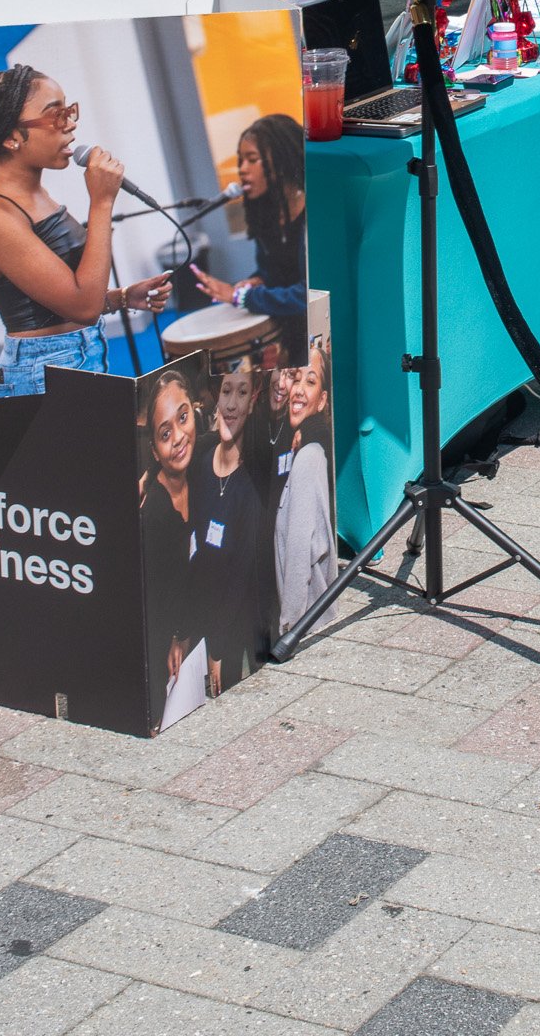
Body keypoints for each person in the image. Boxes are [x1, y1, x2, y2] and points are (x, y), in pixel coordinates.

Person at [0, 66, 170, 398]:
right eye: (55, 115)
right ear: (11, 137)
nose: (71, 124)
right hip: (41, 375)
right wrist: (101, 202)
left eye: (69, 110)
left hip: (76, 356)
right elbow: (83, 307)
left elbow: (59, 299)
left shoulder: (33, 193)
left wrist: (121, 297)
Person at [190, 115, 306, 348]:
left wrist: (240, 297)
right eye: (240, 160)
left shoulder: (315, 212)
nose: (242, 170)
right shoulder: (267, 213)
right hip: (291, 326)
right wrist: (258, 280)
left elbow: (310, 293)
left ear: (281, 162)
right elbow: (277, 273)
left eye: (252, 160)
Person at [190, 353, 266, 695]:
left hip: (232, 635)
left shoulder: (250, 483)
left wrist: (218, 650)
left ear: (253, 400)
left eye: (242, 392)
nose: (232, 404)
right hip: (197, 626)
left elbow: (239, 575)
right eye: (226, 391)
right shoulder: (201, 463)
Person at [139, 366, 206, 728]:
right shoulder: (155, 513)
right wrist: (178, 635)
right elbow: (158, 600)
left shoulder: (203, 467)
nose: (179, 437)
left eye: (183, 418)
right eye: (165, 434)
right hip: (166, 649)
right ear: (154, 449)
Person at [275, 338, 338, 641]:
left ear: (323, 400)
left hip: (306, 625)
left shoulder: (308, 458)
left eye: (310, 382)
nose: (299, 389)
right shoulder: (303, 446)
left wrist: (289, 626)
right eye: (296, 378)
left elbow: (300, 553)